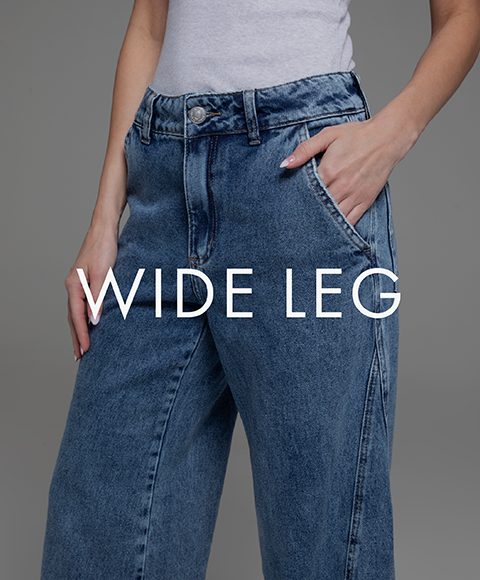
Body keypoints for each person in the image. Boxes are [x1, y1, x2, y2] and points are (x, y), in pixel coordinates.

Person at [41, 1, 480, 579]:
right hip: (162, 179)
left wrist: (395, 132)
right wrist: (104, 220)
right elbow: (149, 24)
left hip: (294, 177)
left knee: (317, 544)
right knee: (100, 528)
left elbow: (463, 13)